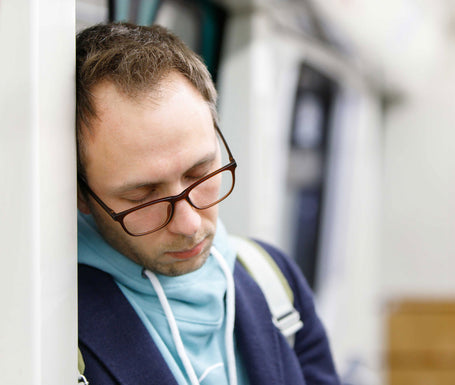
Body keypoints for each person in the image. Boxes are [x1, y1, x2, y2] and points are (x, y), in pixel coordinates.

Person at [76, 22, 340, 385]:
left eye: (200, 173)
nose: (189, 225)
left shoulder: (273, 281)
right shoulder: (49, 332)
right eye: (141, 195)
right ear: (81, 194)